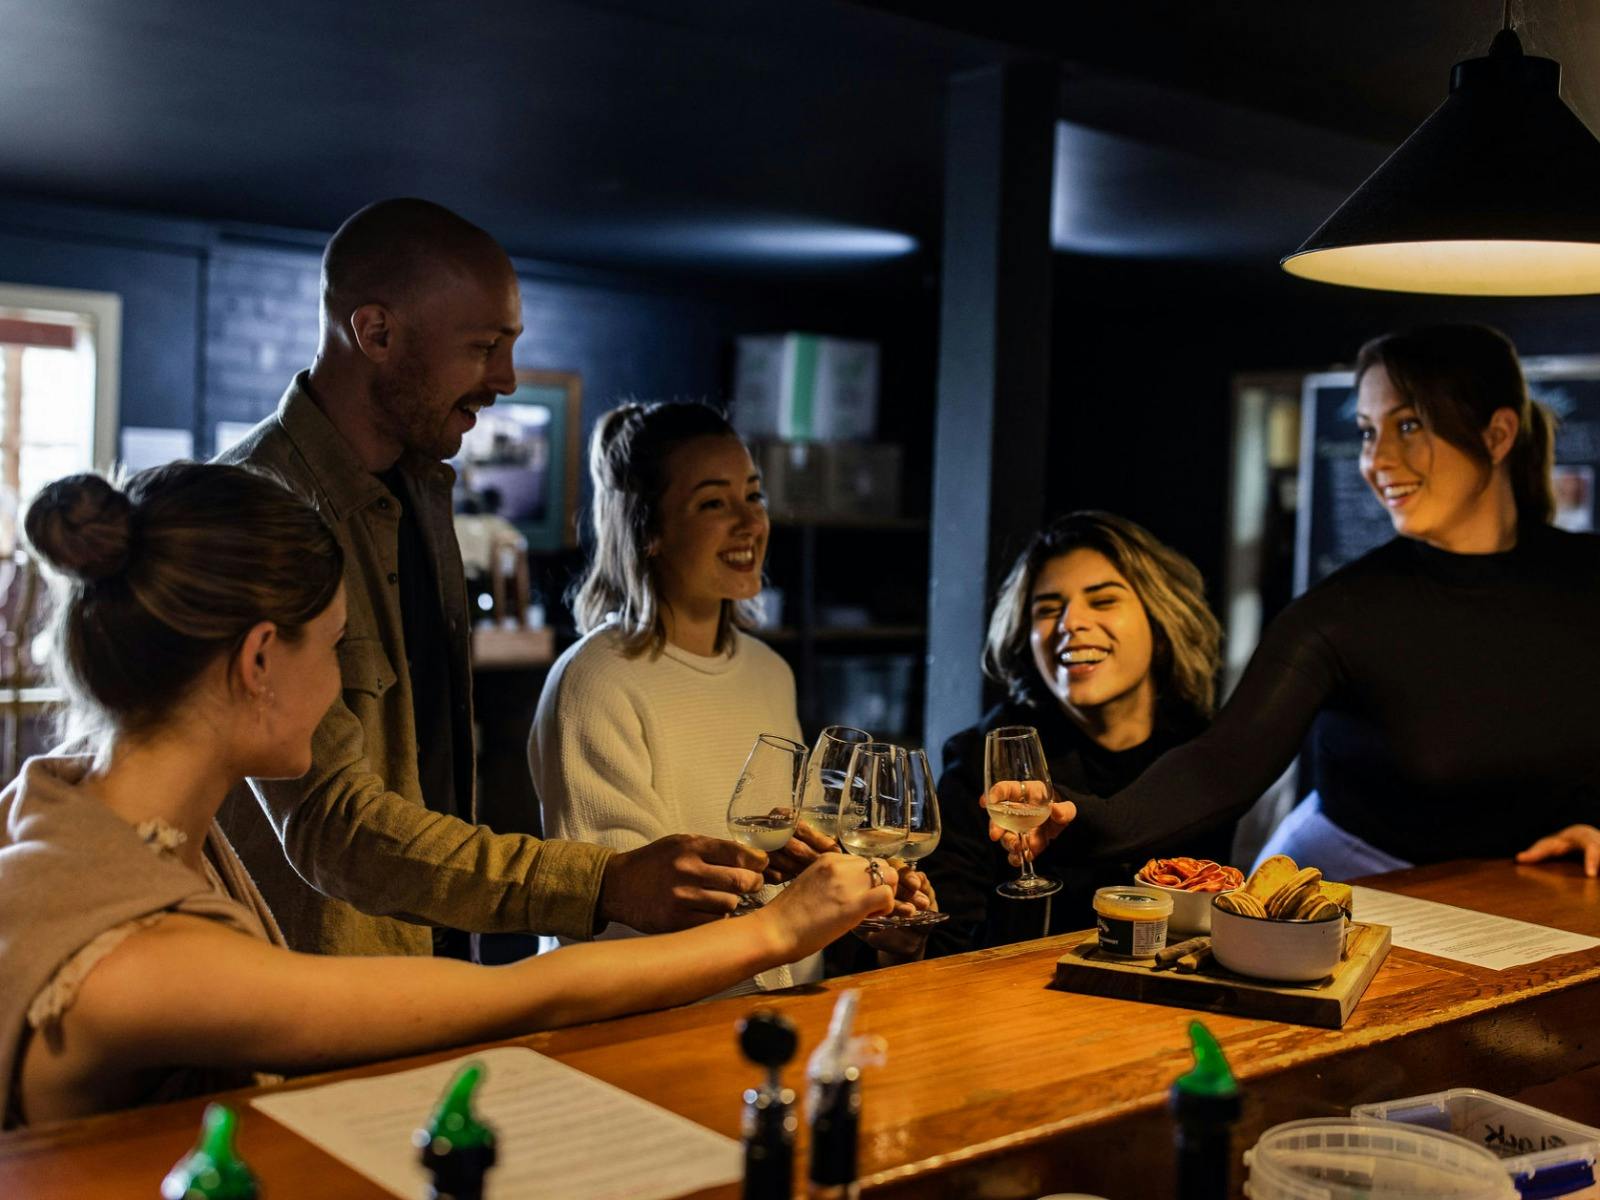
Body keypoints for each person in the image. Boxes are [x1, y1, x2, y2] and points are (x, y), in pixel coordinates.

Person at [1, 465, 896, 1129]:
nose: (341, 687)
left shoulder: (65, 812)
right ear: (261, 659)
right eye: (336, 649)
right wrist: (780, 929)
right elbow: (525, 996)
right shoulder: (140, 960)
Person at [219, 199, 771, 958]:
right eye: (483, 347)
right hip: (320, 984)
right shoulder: (254, 512)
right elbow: (335, 828)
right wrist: (604, 883)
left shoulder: (420, 487)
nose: (506, 380)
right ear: (375, 332)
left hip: (430, 963)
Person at [1000, 324, 1600, 881]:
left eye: (1408, 426)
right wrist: (1087, 818)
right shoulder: (1342, 611)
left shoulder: (1585, 582)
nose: (1376, 461)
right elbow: (1222, 765)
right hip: (1348, 892)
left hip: (1521, 897)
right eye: (1368, 431)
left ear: (1497, 435)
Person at [530, 401, 932, 990]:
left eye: (754, 495)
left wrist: (866, 910)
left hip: (785, 1008)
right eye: (714, 503)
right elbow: (617, 927)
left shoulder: (769, 671)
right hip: (663, 1023)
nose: (750, 522)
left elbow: (782, 872)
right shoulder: (596, 680)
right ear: (648, 531)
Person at [925, 512, 1229, 954]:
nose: (1070, 623)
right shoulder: (981, 759)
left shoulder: (1205, 752)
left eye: (1103, 601)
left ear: (1161, 625)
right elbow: (942, 942)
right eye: (1048, 609)